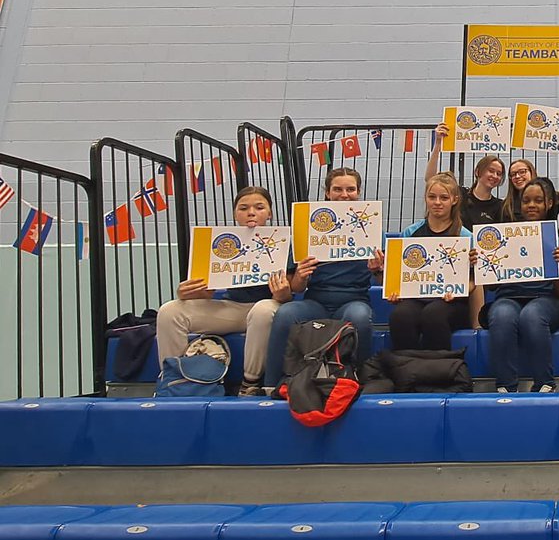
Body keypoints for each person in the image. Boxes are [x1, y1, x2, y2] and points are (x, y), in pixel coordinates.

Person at [156, 185, 290, 396]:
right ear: (235, 213)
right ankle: (174, 378)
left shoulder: (283, 242)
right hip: (232, 308)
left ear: (270, 212)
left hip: (269, 307)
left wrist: (282, 294)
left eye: (259, 207)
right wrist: (189, 293)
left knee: (263, 310)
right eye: (243, 208)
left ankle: (250, 382)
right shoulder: (217, 241)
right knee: (170, 311)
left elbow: (288, 295)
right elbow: (206, 292)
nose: (251, 212)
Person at [264, 167, 384, 390]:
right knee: (285, 314)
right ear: (327, 193)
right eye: (337, 189)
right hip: (315, 301)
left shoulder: (373, 229)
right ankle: (271, 384)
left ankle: (362, 379)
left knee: (360, 318)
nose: (344, 194)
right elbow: (297, 288)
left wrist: (378, 270)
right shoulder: (307, 229)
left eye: (350, 189)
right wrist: (300, 275)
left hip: (353, 300)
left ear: (359, 192)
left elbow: (381, 283)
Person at [483, 177, 559, 393]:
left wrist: (556, 267)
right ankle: (505, 386)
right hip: (508, 297)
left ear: (548, 204)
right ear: (520, 204)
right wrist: (484, 263)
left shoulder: (557, 241)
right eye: (526, 201)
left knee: (531, 315)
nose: (531, 205)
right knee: (502, 316)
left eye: (538, 200)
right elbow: (492, 287)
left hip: (546, 299)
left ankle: (545, 383)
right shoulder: (504, 239)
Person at [386, 171, 481, 352]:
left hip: (452, 302)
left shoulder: (465, 236)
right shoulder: (410, 233)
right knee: (400, 315)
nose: (437, 202)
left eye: (443, 197)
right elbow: (397, 275)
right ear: (426, 199)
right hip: (416, 297)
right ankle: (407, 369)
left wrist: (459, 291)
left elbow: (473, 280)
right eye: (432, 197)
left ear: (454, 200)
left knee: (433, 315)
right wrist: (395, 291)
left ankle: (437, 370)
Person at [426, 124, 505, 228]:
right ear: (477, 172)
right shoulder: (460, 194)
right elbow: (431, 179)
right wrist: (438, 143)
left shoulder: (500, 206)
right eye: (491, 171)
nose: (495, 176)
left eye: (499, 173)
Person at [499, 144, 559, 221]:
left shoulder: (550, 195)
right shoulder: (505, 206)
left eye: (522, 172)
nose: (517, 176)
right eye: (513, 174)